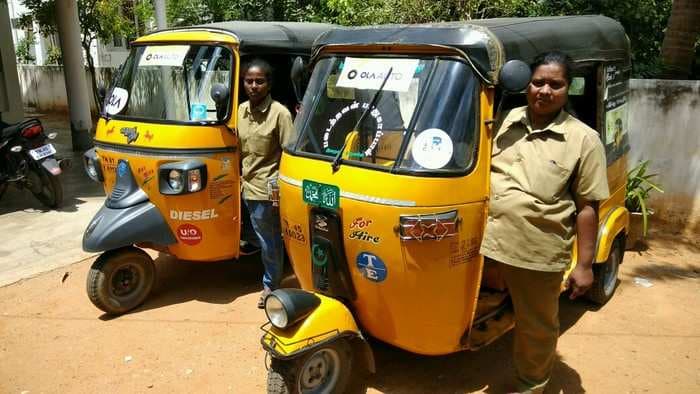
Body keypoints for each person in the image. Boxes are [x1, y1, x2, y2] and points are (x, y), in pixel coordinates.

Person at [479, 51, 609, 393]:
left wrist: (584, 265)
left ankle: (530, 384)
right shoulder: (502, 121)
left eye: (556, 84)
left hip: (536, 249)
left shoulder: (583, 139)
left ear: (568, 89)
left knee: (536, 326)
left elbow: (586, 208)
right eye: (538, 82)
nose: (545, 91)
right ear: (527, 84)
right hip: (484, 243)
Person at [238, 58, 294, 308]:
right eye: (248, 81)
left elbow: (289, 154)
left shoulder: (280, 114)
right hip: (242, 186)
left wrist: (279, 189)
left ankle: (271, 283)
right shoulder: (239, 111)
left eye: (259, 81)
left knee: (268, 239)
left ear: (268, 84)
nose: (253, 86)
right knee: (256, 235)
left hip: (265, 189)